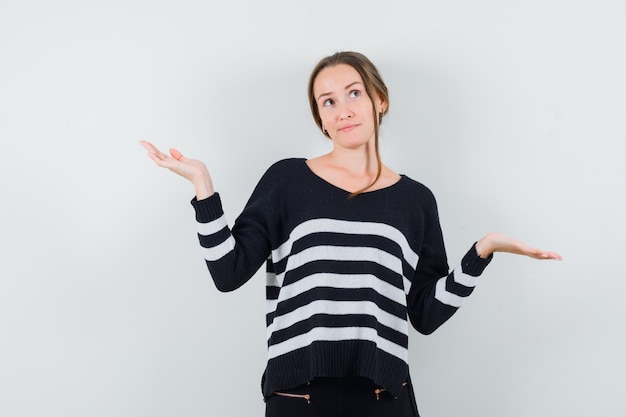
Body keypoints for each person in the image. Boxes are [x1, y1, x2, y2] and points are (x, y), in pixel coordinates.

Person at [140, 51, 561, 417]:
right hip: (296, 395)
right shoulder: (287, 180)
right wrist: (203, 186)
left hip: (382, 396)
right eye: (328, 101)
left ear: (380, 100)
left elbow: (425, 315)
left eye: (354, 93)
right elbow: (228, 273)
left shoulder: (415, 200)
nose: (343, 109)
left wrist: (481, 252)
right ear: (321, 119)